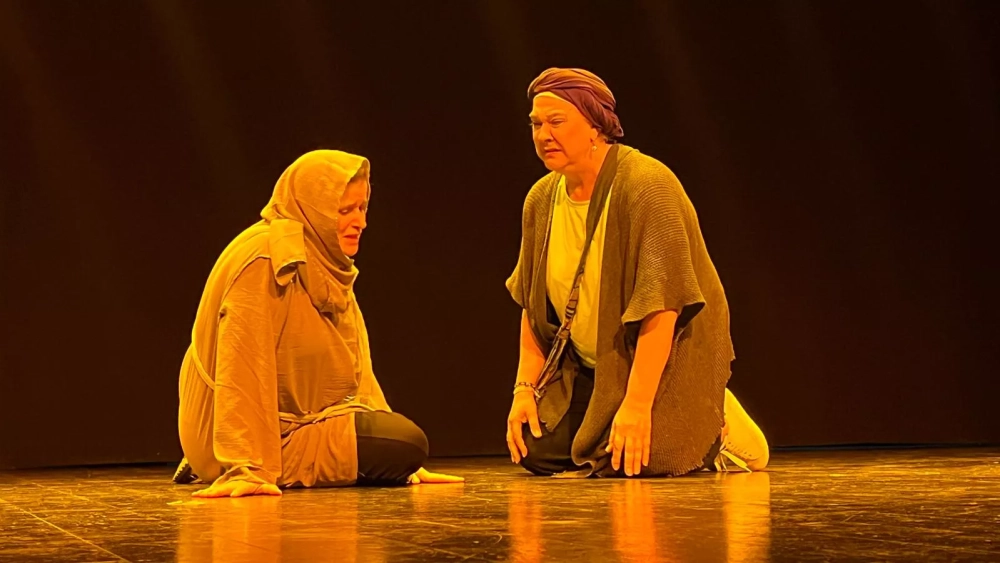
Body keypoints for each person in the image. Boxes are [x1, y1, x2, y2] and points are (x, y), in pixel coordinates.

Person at [505, 68, 769, 478]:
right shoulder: (540, 199)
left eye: (557, 121)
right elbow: (532, 306)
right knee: (534, 448)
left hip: (667, 359)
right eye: (536, 124)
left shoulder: (647, 185)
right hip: (594, 368)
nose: (543, 135)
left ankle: (715, 419)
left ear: (596, 126)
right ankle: (618, 419)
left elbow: (662, 306)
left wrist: (638, 404)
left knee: (645, 460)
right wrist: (525, 389)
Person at [175, 150, 462, 497]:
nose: (360, 222)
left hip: (293, 425)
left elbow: (358, 368)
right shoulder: (266, 257)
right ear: (313, 209)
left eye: (362, 208)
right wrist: (243, 464)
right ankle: (218, 463)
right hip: (247, 441)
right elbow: (242, 363)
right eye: (344, 211)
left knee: (400, 442)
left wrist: (402, 465)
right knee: (405, 443)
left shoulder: (326, 261)